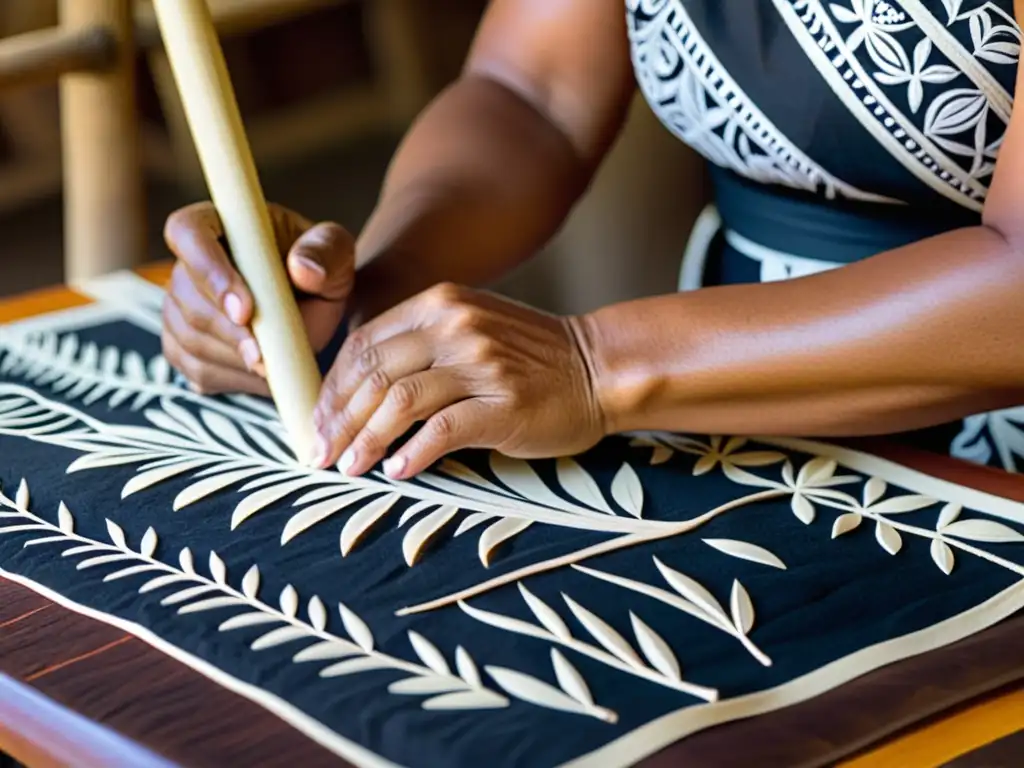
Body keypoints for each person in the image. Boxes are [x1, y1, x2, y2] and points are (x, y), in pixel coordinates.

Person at [160, 0, 1024, 481]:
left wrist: (593, 364)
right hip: (738, 398)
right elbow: (528, 96)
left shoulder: (614, 368)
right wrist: (368, 295)